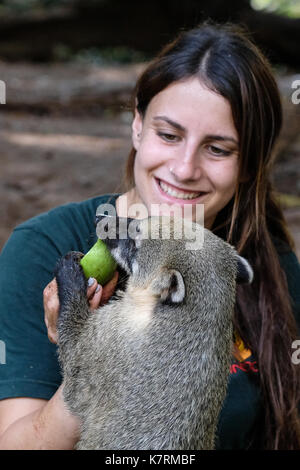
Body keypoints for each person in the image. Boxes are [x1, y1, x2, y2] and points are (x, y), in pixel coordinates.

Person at [0, 22, 299, 450]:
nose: (183, 169)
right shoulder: (43, 246)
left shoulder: (266, 262)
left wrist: (83, 339)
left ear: (249, 164)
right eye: (168, 134)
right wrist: (87, 348)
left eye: (217, 148)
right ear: (137, 126)